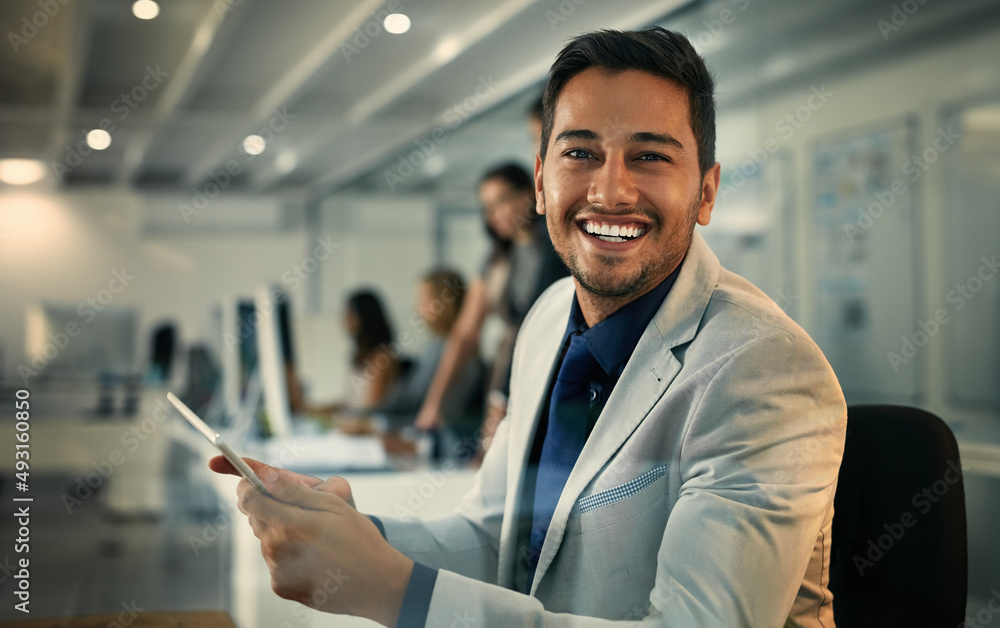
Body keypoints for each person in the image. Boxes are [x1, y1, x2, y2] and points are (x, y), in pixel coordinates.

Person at [211, 27, 847, 626]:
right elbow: (495, 541)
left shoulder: (764, 370)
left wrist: (394, 592)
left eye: (650, 156)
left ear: (706, 193)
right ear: (542, 183)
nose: (611, 190)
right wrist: (356, 537)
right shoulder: (546, 320)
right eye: (581, 152)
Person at [413, 162, 568, 451]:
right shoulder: (494, 260)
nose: (493, 214)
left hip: (552, 367)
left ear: (529, 193)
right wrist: (434, 405)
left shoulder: (554, 246)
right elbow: (465, 333)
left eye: (501, 202)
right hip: (507, 369)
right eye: (487, 207)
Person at [376, 268, 483, 439]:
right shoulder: (434, 346)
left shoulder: (455, 355)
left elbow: (418, 405)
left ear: (444, 303)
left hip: (432, 441)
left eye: (424, 300)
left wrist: (377, 424)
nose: (418, 308)